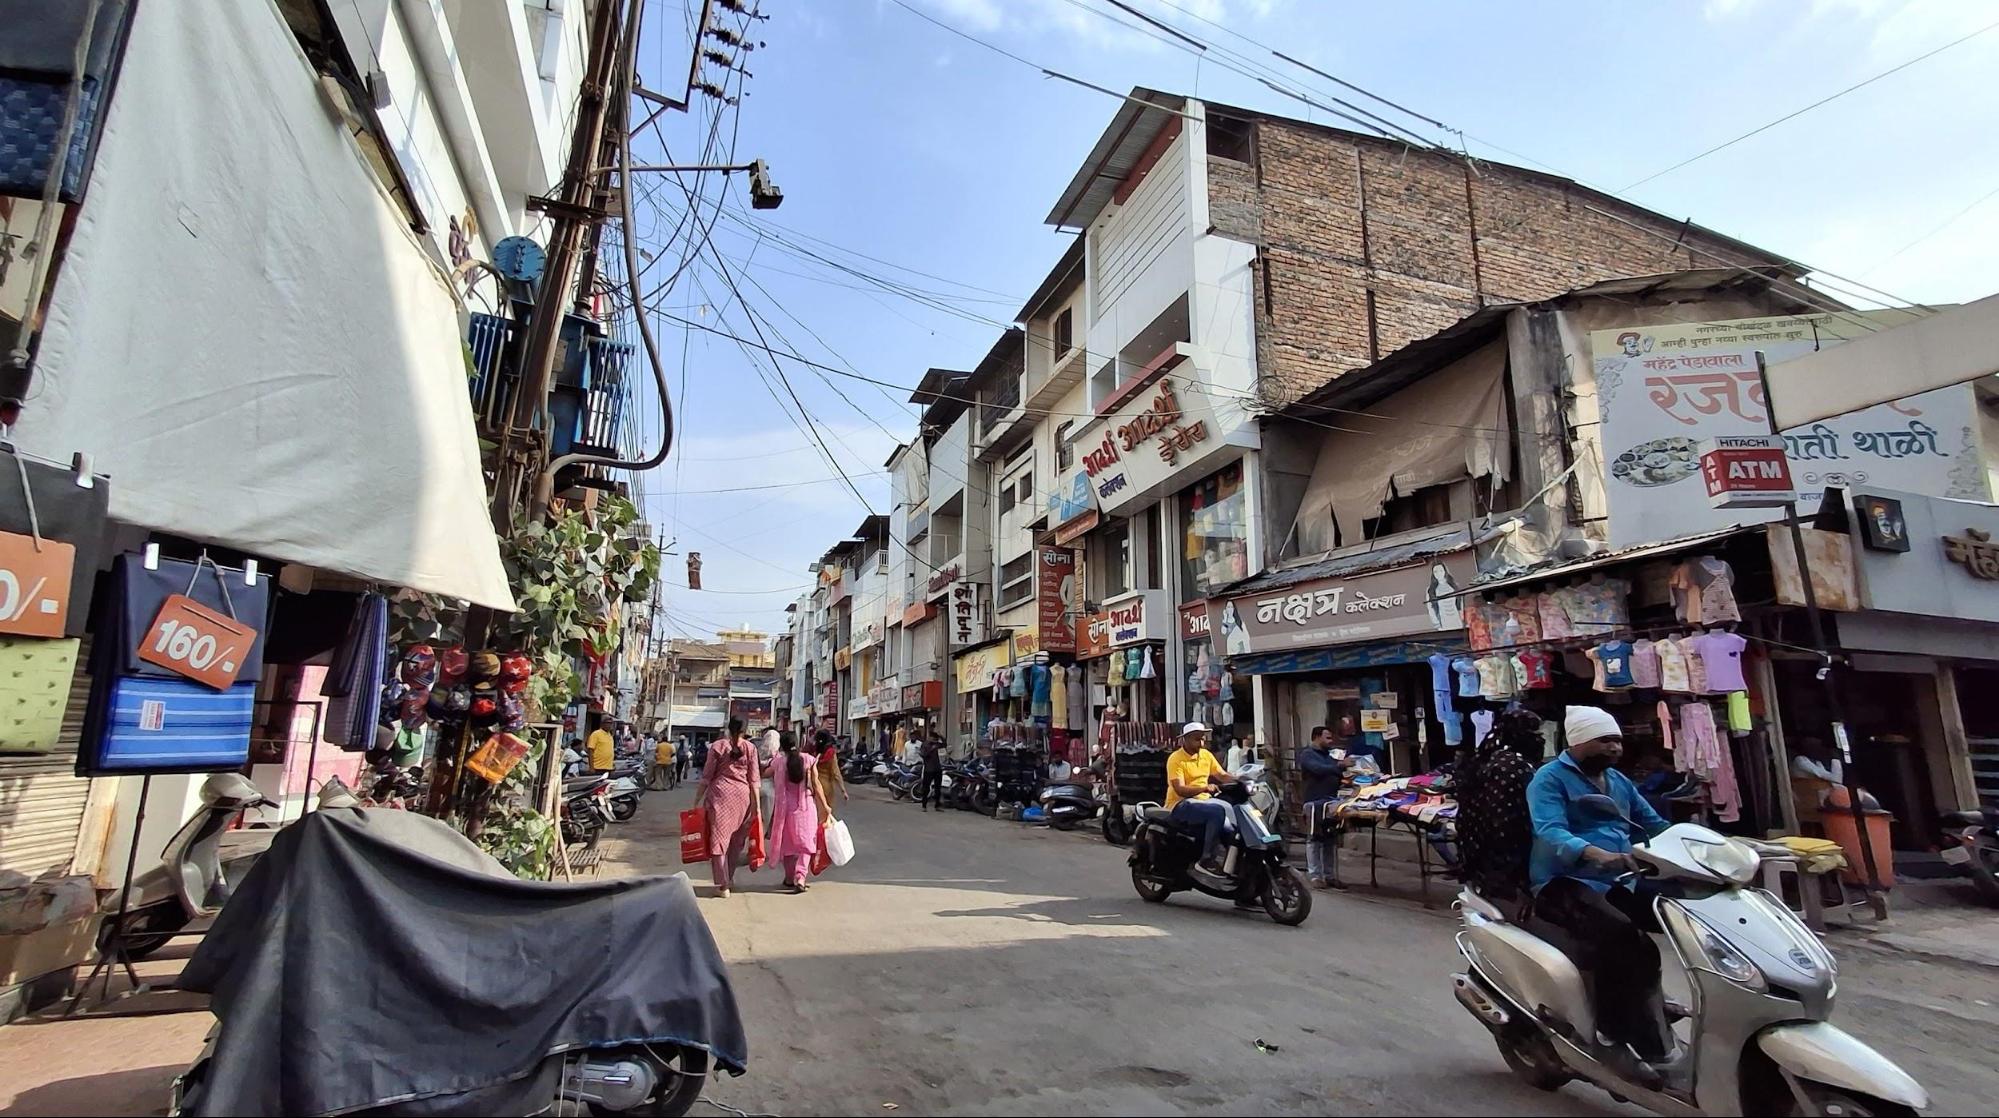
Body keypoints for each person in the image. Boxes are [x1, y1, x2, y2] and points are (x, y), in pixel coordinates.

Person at [1527, 705, 1674, 1076]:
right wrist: (1595, 853)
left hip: (1619, 877)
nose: (1615, 748)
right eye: (1605, 740)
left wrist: (1705, 847)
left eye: (1618, 741)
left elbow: (1654, 825)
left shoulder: (1619, 782)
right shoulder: (1550, 779)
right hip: (1564, 881)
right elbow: (1550, 829)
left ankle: (1649, 1005)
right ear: (1578, 741)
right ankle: (1610, 1038)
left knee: (1677, 918)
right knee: (1622, 937)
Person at [697, 718, 763, 898]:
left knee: (719, 841)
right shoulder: (750, 748)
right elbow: (754, 780)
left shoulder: (718, 746)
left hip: (720, 796)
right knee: (736, 842)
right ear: (745, 730)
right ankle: (730, 878)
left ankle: (722, 885)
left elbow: (707, 776)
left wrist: (696, 800)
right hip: (743, 798)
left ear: (728, 728)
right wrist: (756, 807)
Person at [767, 731, 833, 893]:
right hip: (805, 808)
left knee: (788, 846)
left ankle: (789, 878)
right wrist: (825, 805)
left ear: (782, 746)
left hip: (785, 810)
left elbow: (766, 773)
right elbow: (816, 784)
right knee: (806, 845)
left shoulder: (779, 762)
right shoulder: (809, 760)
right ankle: (800, 877)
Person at [1166, 722, 1235, 873]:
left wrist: (1241, 780)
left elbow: (1221, 775)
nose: (1201, 743)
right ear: (1185, 739)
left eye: (1203, 739)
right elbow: (1180, 789)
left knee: (1232, 824)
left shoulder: (1206, 755)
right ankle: (1206, 859)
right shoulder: (1175, 759)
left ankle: (1235, 866)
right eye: (1197, 739)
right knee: (1216, 812)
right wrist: (1204, 788)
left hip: (1204, 803)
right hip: (1180, 805)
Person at [1297, 726, 1349, 888]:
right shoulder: (1307, 754)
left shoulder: (1330, 755)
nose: (1331, 741)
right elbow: (1317, 769)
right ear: (1317, 737)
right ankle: (1315, 876)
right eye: (1327, 738)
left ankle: (1329, 875)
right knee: (1314, 838)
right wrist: (1339, 767)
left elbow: (1337, 772)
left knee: (1329, 839)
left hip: (1331, 802)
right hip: (1314, 802)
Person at [812, 729, 849, 822]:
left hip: (814, 785)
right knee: (825, 816)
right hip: (827, 788)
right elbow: (836, 773)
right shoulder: (831, 754)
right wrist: (843, 790)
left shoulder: (815, 753)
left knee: (815, 813)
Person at [917, 734, 944, 811]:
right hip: (928, 769)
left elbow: (944, 744)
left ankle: (937, 805)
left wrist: (941, 737)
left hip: (937, 768)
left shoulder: (936, 744)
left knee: (938, 788)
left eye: (935, 739)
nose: (934, 740)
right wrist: (931, 749)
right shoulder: (925, 744)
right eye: (933, 738)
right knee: (926, 788)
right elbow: (923, 755)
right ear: (929, 738)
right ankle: (924, 805)